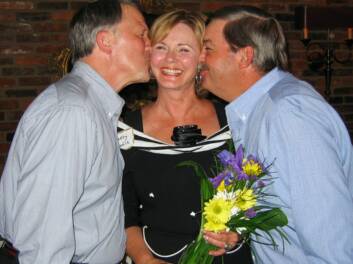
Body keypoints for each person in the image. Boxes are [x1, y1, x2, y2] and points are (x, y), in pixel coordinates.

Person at [0, 0, 151, 263]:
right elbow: (42, 242)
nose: (151, 45)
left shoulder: (93, 107)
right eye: (141, 34)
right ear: (105, 41)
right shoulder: (73, 112)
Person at [201, 5, 353, 264]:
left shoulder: (288, 113)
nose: (199, 58)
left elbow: (331, 241)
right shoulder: (260, 109)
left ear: (245, 56)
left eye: (208, 48)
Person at [118, 9, 253, 264]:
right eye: (161, 47)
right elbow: (122, 216)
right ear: (149, 54)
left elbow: (256, 195)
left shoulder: (234, 120)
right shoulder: (126, 131)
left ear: (201, 56)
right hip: (157, 257)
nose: (170, 59)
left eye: (183, 49)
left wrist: (238, 231)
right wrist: (144, 260)